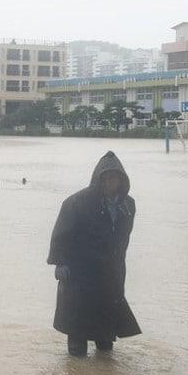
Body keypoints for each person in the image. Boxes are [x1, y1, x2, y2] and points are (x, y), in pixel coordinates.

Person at [46, 151, 141, 357]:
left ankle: (105, 373)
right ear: (98, 180)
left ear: (122, 181)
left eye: (114, 178)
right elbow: (60, 234)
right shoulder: (76, 203)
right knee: (77, 331)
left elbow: (122, 240)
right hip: (80, 274)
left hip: (111, 274)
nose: (110, 183)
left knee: (106, 336)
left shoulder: (128, 205)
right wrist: (59, 263)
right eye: (105, 179)